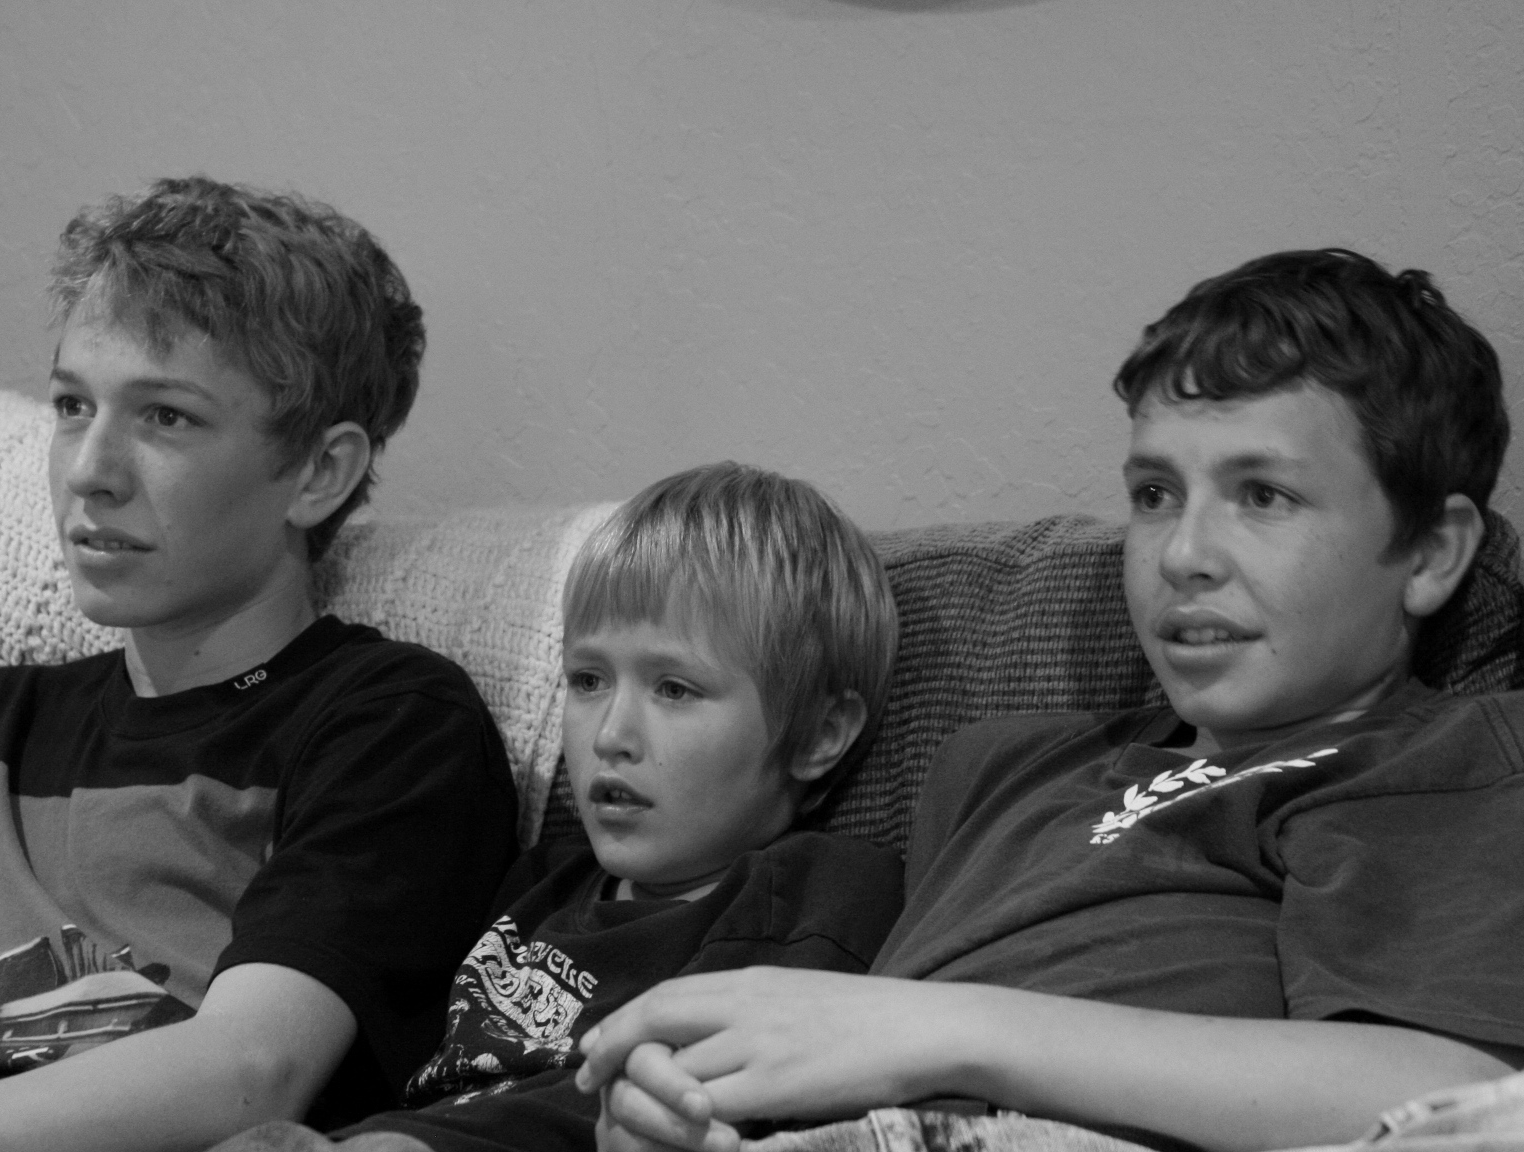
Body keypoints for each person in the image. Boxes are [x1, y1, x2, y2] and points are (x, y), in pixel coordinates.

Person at [575, 249, 1524, 1152]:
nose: (1183, 554)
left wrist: (947, 1030)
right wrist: (675, 1116)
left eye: (1263, 496)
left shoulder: (1443, 763)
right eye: (1154, 494)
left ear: (1432, 554)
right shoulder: (1002, 766)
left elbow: (1459, 1096)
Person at [0, 176, 519, 1151]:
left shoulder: (392, 723)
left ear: (319, 473)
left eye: (166, 417)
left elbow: (250, 1072)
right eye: (71, 405)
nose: (90, 470)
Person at [217, 462, 907, 1152]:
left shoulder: (822, 894)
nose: (610, 735)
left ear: (820, 735)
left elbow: (696, 1096)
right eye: (587, 680)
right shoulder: (540, 884)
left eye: (674, 689)